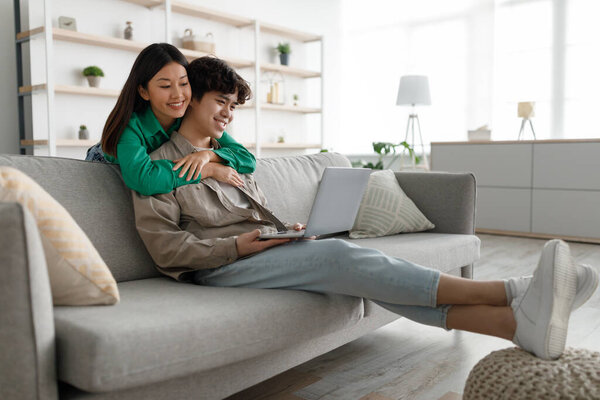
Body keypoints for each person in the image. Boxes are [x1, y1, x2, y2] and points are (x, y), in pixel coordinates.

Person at [131, 56, 599, 361]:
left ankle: (515, 326)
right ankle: (513, 289)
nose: (228, 114)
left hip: (263, 250)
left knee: (351, 266)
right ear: (190, 99)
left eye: (234, 107)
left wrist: (284, 231)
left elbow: (252, 207)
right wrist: (238, 245)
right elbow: (167, 250)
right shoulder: (156, 168)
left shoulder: (229, 156)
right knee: (343, 257)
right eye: (221, 102)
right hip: (218, 267)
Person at [85, 43, 255, 196]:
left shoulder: (186, 115)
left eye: (183, 83)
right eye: (165, 86)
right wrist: (209, 169)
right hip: (101, 167)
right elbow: (145, 179)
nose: (178, 95)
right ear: (144, 91)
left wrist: (208, 155)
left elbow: (246, 158)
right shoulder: (130, 128)